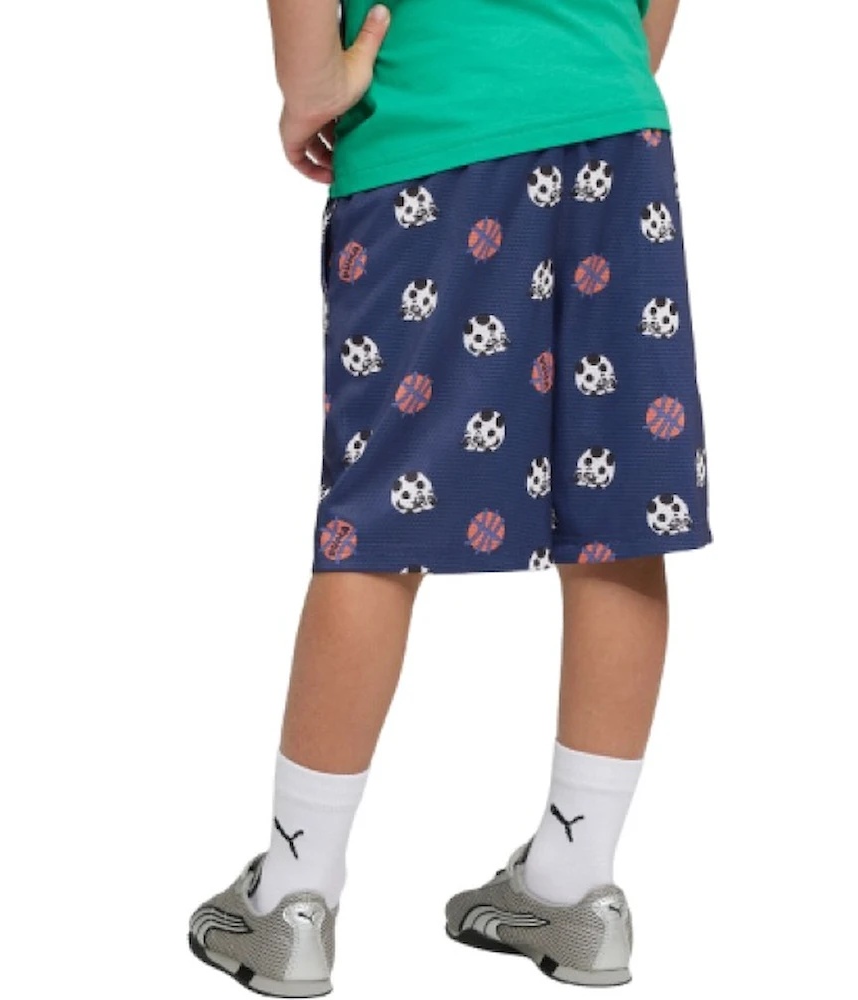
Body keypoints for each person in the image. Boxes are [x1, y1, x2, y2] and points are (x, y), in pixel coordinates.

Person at [189, 0, 710, 994]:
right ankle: (577, 884)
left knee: (378, 521)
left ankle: (293, 897)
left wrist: (312, 85)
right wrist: (595, 73)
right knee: (615, 513)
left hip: (436, 131)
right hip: (616, 128)